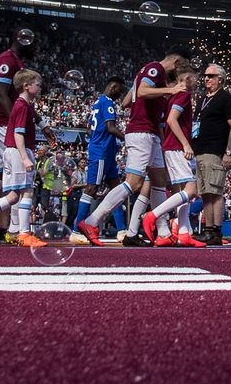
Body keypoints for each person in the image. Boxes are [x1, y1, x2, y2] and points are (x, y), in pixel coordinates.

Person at [81, 52, 187, 245]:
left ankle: (163, 233)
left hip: (151, 132)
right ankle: (92, 221)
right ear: (177, 62)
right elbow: (143, 91)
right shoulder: (156, 69)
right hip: (141, 132)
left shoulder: (148, 71)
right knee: (134, 183)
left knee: (159, 180)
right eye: (181, 68)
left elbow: (126, 101)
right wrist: (169, 91)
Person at [0, 71, 45, 246]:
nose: (40, 87)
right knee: (27, 191)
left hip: (12, 152)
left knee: (13, 196)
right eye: (37, 84)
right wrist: (25, 157)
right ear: (26, 86)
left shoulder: (22, 105)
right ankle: (24, 233)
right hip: (18, 151)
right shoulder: (22, 106)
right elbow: (18, 133)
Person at [145, 70, 209, 246]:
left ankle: (183, 232)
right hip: (176, 147)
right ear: (188, 79)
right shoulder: (183, 95)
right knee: (191, 190)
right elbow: (172, 120)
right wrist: (186, 144)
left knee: (180, 191)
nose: (199, 81)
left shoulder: (172, 97)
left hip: (169, 146)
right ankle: (153, 215)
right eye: (196, 78)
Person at [193, 65, 231, 245]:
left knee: (215, 191)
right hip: (201, 149)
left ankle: (216, 231)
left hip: (216, 150)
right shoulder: (203, 99)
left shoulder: (226, 99)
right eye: (205, 76)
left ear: (221, 78)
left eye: (211, 76)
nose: (206, 79)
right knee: (205, 192)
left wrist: (228, 152)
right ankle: (208, 230)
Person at [72, 76, 126, 236]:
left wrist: (97, 136)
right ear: (114, 87)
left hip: (106, 152)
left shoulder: (97, 102)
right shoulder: (108, 103)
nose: (120, 95)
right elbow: (110, 127)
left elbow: (89, 129)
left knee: (116, 190)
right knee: (91, 188)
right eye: (120, 91)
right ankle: (76, 231)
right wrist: (126, 138)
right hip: (101, 152)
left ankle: (122, 230)